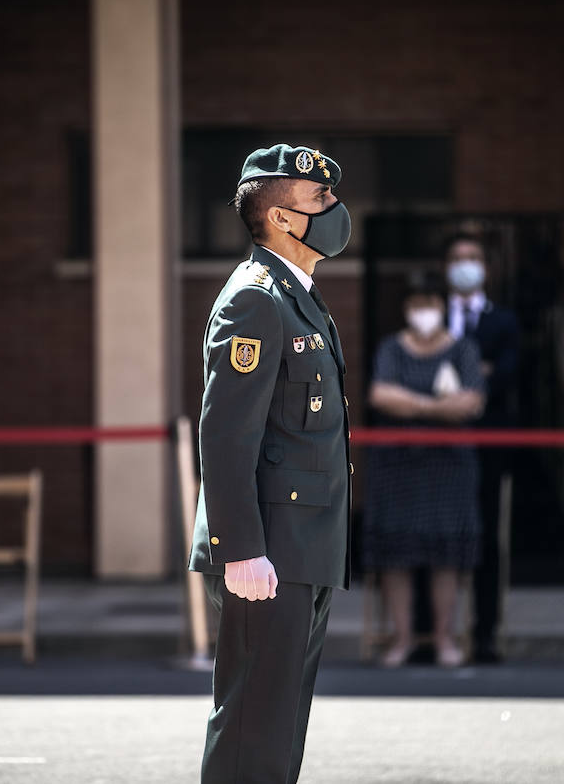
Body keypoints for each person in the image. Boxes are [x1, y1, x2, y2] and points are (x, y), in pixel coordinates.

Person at [188, 144, 353, 784]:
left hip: (301, 548)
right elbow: (226, 434)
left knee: (279, 730)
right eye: (321, 200)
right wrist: (240, 549)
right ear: (282, 218)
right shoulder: (256, 299)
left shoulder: (297, 295)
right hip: (267, 553)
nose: (337, 210)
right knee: (253, 729)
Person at [364, 274, 486, 668]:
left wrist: (413, 406)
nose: (424, 313)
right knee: (397, 554)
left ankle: (444, 639)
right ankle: (402, 640)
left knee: (445, 555)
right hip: (397, 465)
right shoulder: (391, 349)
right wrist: (435, 407)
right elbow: (381, 395)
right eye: (417, 305)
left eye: (430, 304)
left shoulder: (463, 348)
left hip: (448, 466)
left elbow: (471, 402)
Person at [443, 231, 519, 663]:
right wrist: (477, 373)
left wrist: (460, 378)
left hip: (489, 442)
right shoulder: (433, 315)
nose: (465, 264)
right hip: (440, 445)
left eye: (472, 257)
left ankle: (485, 632)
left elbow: (507, 372)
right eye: (458, 257)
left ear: (485, 267)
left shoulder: (503, 320)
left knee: (487, 537)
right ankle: (432, 632)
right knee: (436, 535)